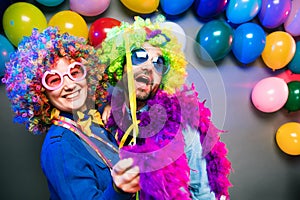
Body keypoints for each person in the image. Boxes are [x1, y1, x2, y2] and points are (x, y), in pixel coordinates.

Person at [98, 15, 232, 200]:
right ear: (122, 65)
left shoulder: (182, 127)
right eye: (139, 57)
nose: (148, 68)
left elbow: (203, 195)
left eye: (158, 63)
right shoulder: (108, 117)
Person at [2, 27, 140, 199]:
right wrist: (119, 191)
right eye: (54, 80)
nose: (69, 85)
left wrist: (111, 107)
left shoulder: (94, 121)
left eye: (74, 72)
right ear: (40, 93)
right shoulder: (59, 146)